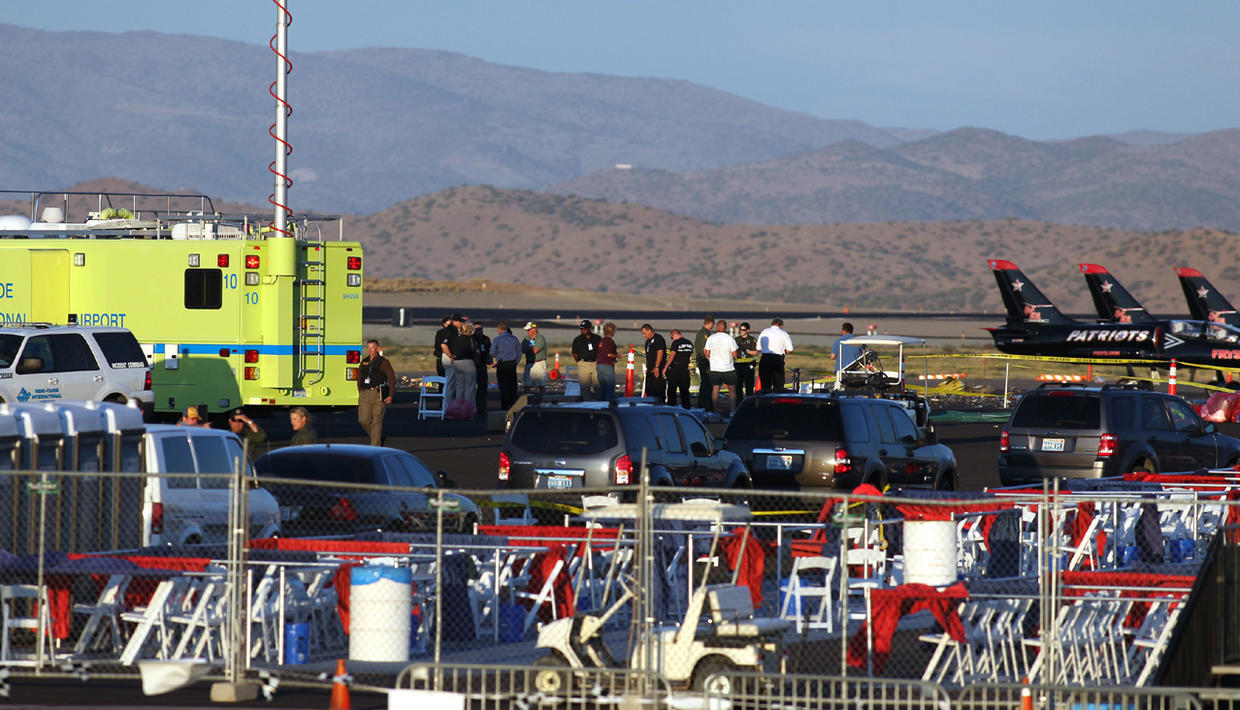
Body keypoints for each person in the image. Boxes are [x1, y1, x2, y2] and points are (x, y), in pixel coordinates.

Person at [357, 338, 395, 446]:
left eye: (372, 348)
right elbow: (359, 376)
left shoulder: (383, 362)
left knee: (377, 421)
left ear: (377, 348)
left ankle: (375, 447)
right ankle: (377, 437)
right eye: (368, 348)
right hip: (365, 394)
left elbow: (392, 379)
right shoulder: (364, 361)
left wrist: (391, 395)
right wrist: (360, 389)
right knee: (363, 420)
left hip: (379, 393)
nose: (370, 350)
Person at [704, 319, 740, 412]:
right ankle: (732, 410)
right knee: (732, 389)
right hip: (728, 368)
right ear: (725, 328)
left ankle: (716, 410)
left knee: (715, 389)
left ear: (717, 327)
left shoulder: (711, 338)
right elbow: (735, 354)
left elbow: (706, 352)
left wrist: (711, 360)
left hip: (715, 368)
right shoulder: (729, 338)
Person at [491, 321, 522, 412]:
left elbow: (492, 352)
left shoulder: (497, 339)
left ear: (499, 329)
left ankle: (504, 406)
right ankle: (513, 405)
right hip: (512, 364)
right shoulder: (514, 338)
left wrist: (493, 360)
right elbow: (519, 352)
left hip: (502, 364)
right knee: (512, 385)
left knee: (503, 386)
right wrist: (516, 362)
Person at [757, 317, 793, 392]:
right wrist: (783, 349)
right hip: (777, 360)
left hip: (765, 359)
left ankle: (765, 402)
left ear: (772, 324)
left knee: (765, 385)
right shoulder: (784, 333)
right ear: (781, 326)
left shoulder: (764, 332)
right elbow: (790, 350)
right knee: (778, 385)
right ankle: (776, 402)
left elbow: (758, 348)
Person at [571, 319, 602, 399]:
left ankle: (599, 403)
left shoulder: (597, 338)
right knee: (585, 387)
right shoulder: (577, 340)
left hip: (595, 364)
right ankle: (586, 403)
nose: (583, 330)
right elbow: (575, 353)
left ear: (589, 328)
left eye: (584, 328)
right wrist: (580, 362)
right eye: (581, 329)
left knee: (598, 386)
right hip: (583, 364)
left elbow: (601, 351)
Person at [663, 328, 694, 408]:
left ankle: (671, 408)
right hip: (685, 369)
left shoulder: (676, 343)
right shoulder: (689, 343)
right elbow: (690, 356)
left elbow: (672, 355)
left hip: (675, 369)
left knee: (671, 391)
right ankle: (686, 409)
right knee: (684, 391)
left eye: (671, 338)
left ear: (674, 335)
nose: (672, 340)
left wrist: (665, 367)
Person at [451, 321, 477, 404]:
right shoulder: (470, 339)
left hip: (457, 362)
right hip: (468, 362)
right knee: (470, 387)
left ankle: (458, 407)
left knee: (459, 387)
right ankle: (468, 408)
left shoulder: (456, 339)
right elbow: (474, 351)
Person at [693, 316, 715, 412]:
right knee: (707, 383)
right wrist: (710, 359)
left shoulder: (702, 333)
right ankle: (704, 404)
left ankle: (705, 404)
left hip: (702, 360)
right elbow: (704, 349)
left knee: (707, 383)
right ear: (710, 323)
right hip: (704, 361)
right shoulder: (704, 334)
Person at [641, 323, 666, 401]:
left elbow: (660, 352)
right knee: (649, 390)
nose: (643, 336)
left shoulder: (658, 338)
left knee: (658, 389)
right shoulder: (648, 342)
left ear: (649, 331)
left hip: (657, 368)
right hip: (650, 368)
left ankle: (660, 406)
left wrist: (657, 367)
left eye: (644, 333)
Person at [438, 314, 462, 397]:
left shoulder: (452, 330)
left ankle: (450, 404)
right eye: (460, 322)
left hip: (450, 357)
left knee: (453, 383)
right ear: (455, 322)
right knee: (450, 382)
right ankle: (447, 405)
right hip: (449, 358)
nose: (461, 324)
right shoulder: (451, 331)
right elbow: (443, 345)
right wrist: (451, 356)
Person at [733, 321, 758, 400]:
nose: (741, 331)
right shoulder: (736, 340)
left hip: (749, 365)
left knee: (749, 386)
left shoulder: (752, 340)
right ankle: (739, 403)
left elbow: (756, 352)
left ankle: (749, 402)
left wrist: (747, 351)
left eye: (743, 330)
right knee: (738, 386)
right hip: (738, 366)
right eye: (740, 330)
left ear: (748, 330)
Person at [472, 322, 492, 417]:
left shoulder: (486, 339)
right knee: (471, 387)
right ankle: (472, 407)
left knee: (483, 387)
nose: (479, 331)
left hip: (483, 365)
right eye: (477, 329)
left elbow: (489, 351)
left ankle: (482, 407)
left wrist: (490, 360)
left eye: (480, 329)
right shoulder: (471, 339)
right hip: (473, 366)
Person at [522, 322, 548, 393]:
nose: (527, 332)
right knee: (527, 385)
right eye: (527, 330)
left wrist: (528, 348)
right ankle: (527, 401)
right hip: (529, 363)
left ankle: (544, 401)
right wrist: (530, 348)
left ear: (534, 329)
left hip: (539, 363)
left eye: (528, 330)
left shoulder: (540, 338)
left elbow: (535, 350)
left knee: (541, 386)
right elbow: (522, 349)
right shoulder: (526, 338)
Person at [597, 322, 619, 402]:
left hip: (599, 365)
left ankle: (601, 404)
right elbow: (609, 354)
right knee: (610, 387)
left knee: (602, 388)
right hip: (607, 366)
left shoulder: (601, 341)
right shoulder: (610, 341)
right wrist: (617, 356)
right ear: (612, 331)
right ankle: (608, 404)